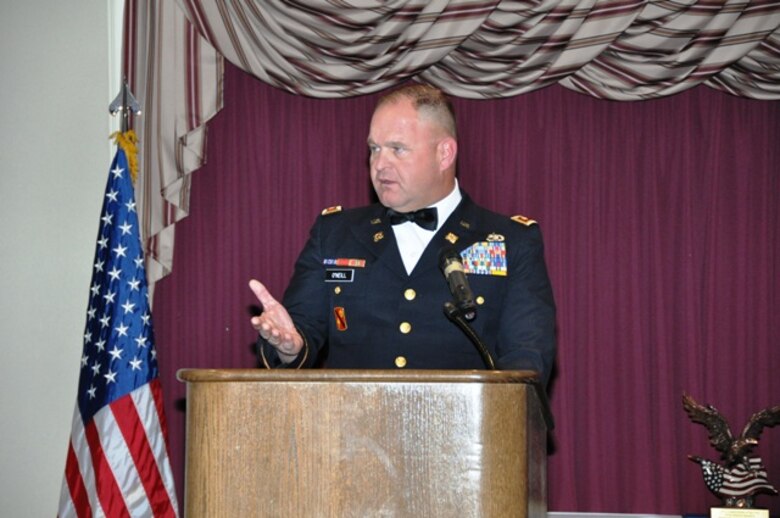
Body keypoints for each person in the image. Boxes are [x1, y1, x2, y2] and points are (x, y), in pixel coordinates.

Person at [249, 83, 557, 386]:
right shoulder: (335, 233)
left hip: (465, 433)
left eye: (398, 149)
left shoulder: (509, 241)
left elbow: (526, 362)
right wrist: (289, 347)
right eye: (374, 149)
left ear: (445, 153)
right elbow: (301, 330)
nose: (380, 164)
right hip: (352, 430)